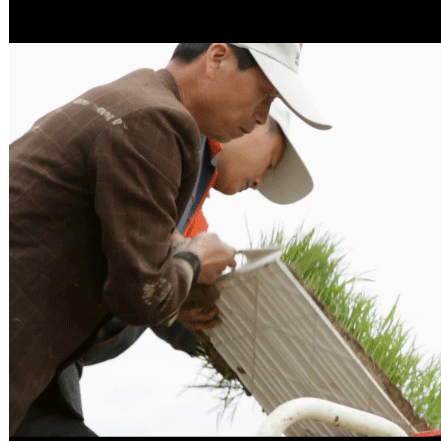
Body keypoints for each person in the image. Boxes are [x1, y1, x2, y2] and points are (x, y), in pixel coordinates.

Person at [9, 43, 330, 436]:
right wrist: (194, 261)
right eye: (264, 95)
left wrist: (184, 294)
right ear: (217, 59)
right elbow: (140, 292)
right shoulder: (159, 122)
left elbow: (133, 256)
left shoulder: (138, 98)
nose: (262, 115)